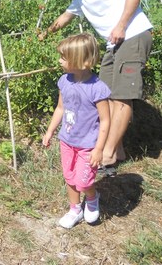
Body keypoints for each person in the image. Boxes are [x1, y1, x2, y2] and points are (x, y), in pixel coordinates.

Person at [41, 0, 153, 176]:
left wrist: (121, 25)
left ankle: (108, 155)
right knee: (105, 95)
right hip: (114, 44)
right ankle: (117, 150)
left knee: (121, 96)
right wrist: (44, 33)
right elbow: (64, 18)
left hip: (133, 35)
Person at [43, 33, 111, 228]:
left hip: (88, 145)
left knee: (83, 181)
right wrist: (50, 131)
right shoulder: (64, 81)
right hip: (67, 140)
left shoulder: (97, 89)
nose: (59, 61)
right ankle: (74, 209)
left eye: (64, 57)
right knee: (69, 177)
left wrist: (99, 149)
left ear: (83, 61)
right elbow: (60, 108)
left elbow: (105, 121)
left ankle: (91, 197)